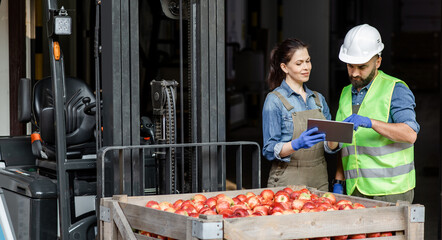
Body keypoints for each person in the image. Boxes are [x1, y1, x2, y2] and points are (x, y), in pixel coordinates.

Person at [330, 24, 420, 203]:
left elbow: (410, 134)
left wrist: (370, 122)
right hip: (354, 189)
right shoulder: (345, 93)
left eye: (362, 67)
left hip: (391, 191)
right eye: (350, 66)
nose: (355, 73)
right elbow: (342, 142)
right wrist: (339, 180)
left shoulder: (395, 89)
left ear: (378, 61)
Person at [262, 38, 332, 191]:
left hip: (319, 177)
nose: (306, 67)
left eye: (308, 61)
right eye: (299, 63)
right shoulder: (274, 101)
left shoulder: (319, 100)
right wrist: (296, 144)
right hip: (288, 177)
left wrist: (338, 136)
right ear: (284, 67)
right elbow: (268, 149)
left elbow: (328, 145)